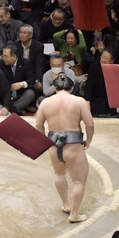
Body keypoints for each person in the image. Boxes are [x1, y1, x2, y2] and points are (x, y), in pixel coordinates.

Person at [35, 73, 94, 223]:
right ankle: (74, 215)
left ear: (55, 89)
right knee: (79, 181)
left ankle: (66, 205)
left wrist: (42, 141)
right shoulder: (79, 101)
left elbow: (38, 125)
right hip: (73, 146)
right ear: (72, 88)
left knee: (59, 174)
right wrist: (89, 140)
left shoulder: (45, 103)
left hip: (54, 145)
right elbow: (90, 124)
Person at [85, 48, 119, 117]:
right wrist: (87, 101)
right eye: (102, 57)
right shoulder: (93, 68)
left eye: (106, 58)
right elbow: (89, 86)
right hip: (96, 100)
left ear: (112, 61)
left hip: (111, 101)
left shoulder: (116, 70)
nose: (103, 60)